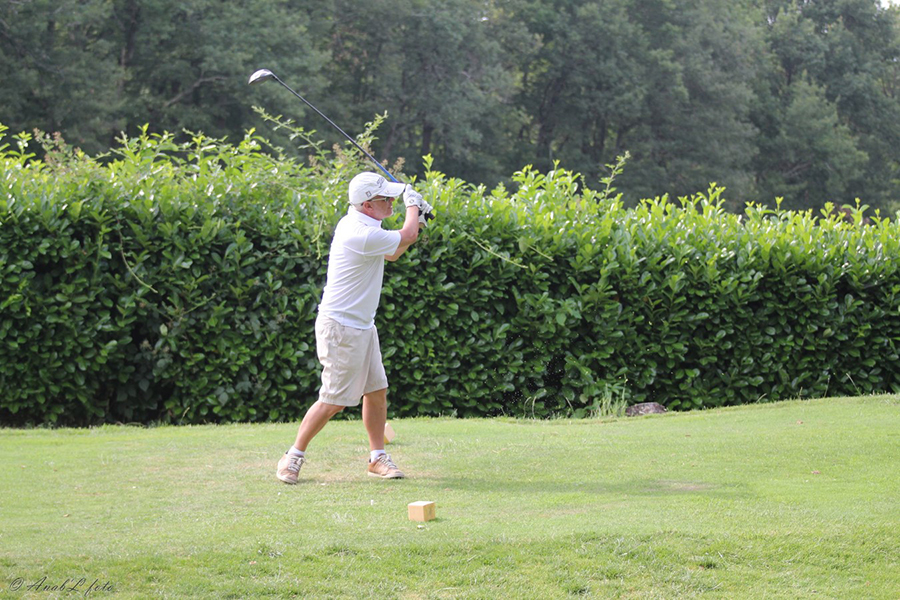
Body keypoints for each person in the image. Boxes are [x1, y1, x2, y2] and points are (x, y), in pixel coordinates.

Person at [276, 172, 432, 483]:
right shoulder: (358, 232)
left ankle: (377, 458)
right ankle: (292, 456)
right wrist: (413, 207)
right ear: (367, 205)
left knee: (376, 391)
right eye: (385, 198)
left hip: (362, 326)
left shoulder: (369, 226)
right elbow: (407, 236)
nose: (392, 201)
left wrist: (418, 220)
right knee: (333, 400)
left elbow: (394, 251)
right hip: (341, 329)